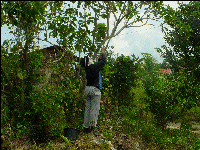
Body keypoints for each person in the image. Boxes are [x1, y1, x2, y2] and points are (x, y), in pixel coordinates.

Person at [80, 47, 107, 133]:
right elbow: (103, 62)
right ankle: (92, 127)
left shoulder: (88, 69)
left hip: (87, 89)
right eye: (90, 58)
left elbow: (98, 63)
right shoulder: (93, 67)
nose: (91, 58)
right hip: (94, 90)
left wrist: (100, 57)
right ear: (88, 62)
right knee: (94, 109)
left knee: (88, 109)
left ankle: (86, 127)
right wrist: (103, 53)